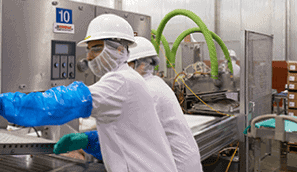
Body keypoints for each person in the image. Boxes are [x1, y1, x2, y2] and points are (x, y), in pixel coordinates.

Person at [0, 14, 178, 172]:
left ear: (119, 49)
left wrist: (4, 103)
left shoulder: (121, 82)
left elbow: (61, 103)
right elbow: (129, 137)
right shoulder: (128, 78)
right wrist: (89, 139)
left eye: (97, 48)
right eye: (88, 49)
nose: (90, 56)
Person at [65, 36, 204, 172]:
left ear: (142, 64)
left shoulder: (148, 90)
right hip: (182, 160)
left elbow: (126, 130)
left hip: (176, 164)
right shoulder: (154, 82)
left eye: (125, 63)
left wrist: (89, 138)